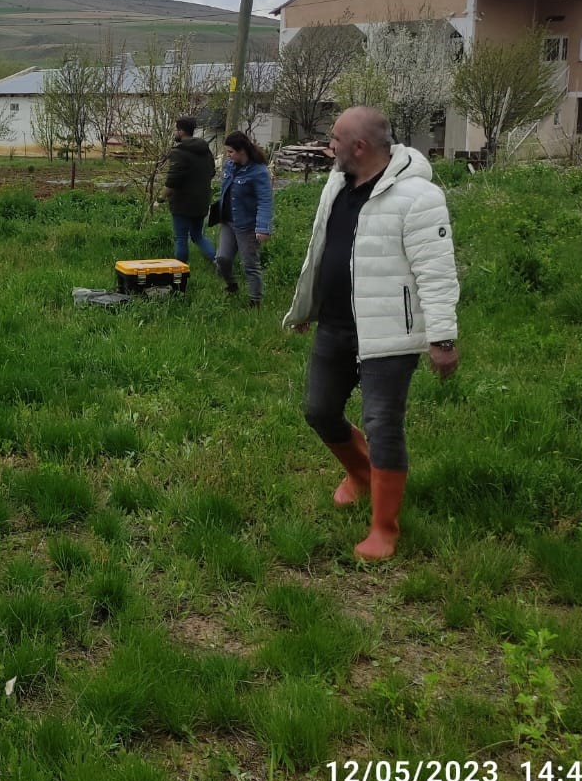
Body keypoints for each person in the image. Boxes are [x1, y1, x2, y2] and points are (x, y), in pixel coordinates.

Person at [283, 106, 460, 562]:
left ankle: (384, 527)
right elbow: (321, 250)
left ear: (359, 147)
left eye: (336, 138)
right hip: (336, 325)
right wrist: (308, 304)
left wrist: (441, 340)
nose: (330, 145)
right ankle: (361, 476)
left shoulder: (419, 196)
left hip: (389, 334)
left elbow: (436, 273)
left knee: (383, 426)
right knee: (319, 410)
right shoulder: (336, 185)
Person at [214, 130, 273, 306]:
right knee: (222, 259)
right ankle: (231, 285)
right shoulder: (230, 166)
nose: (228, 155)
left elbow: (265, 200)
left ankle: (255, 300)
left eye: (230, 152)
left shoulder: (259, 172)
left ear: (242, 151)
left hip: (247, 225)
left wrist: (262, 227)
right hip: (228, 221)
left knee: (250, 265)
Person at [163, 116, 215, 267]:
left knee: (181, 237)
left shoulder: (179, 152)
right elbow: (211, 171)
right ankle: (219, 261)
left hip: (182, 204)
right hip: (201, 202)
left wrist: (161, 198)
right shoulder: (205, 150)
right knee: (198, 236)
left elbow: (172, 180)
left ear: (181, 131)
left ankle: (180, 272)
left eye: (175, 129)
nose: (174, 132)